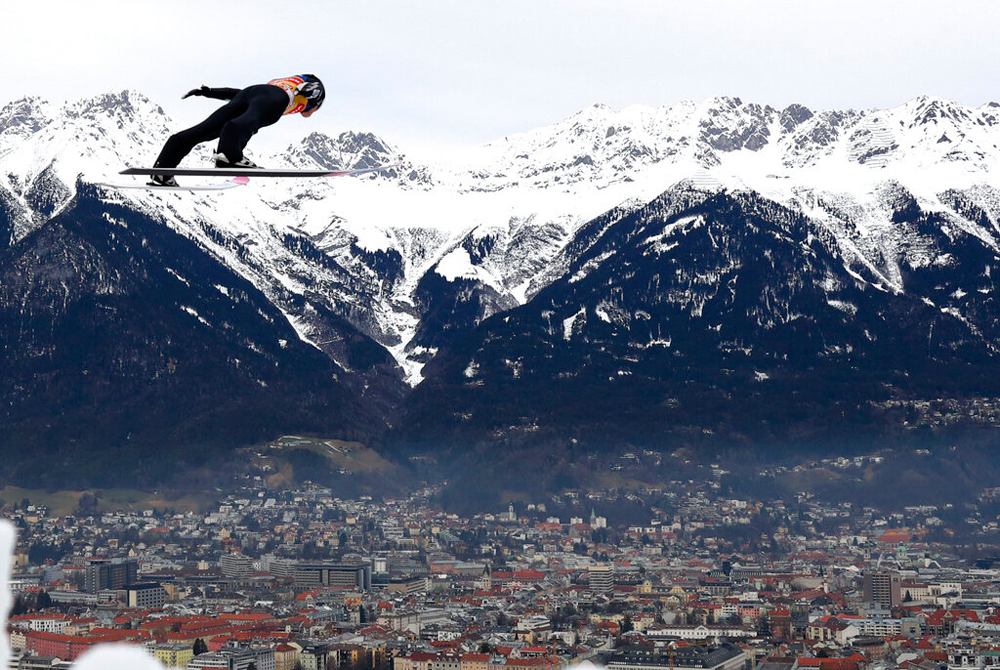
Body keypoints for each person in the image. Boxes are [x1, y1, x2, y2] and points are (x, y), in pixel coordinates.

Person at [149, 74, 325, 187]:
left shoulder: (284, 82)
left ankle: (163, 170)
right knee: (245, 122)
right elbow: (312, 93)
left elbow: (239, 94)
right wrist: (315, 96)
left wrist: (210, 92)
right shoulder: (311, 90)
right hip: (274, 98)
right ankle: (229, 158)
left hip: (250, 92)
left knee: (205, 130)